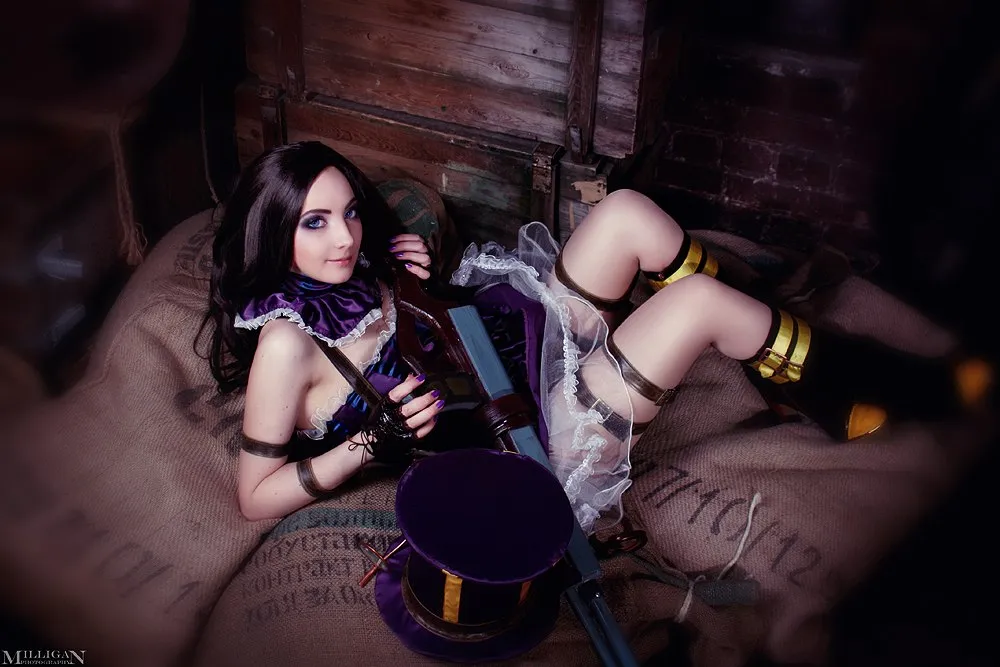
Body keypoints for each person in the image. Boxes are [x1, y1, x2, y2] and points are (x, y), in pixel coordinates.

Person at [206, 141, 989, 531]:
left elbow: (426, 326)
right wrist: (365, 445)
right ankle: (864, 384)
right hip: (521, 434)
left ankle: (783, 360)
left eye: (349, 212)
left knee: (625, 213)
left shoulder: (355, 264)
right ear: (275, 231)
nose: (345, 236)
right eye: (315, 222)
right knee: (697, 305)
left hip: (517, 343)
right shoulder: (285, 344)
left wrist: (413, 275)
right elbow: (252, 495)